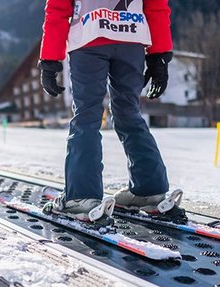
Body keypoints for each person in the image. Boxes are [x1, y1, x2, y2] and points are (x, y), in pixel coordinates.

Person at [38, 0, 186, 229]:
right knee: (129, 113)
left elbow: (58, 8)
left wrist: (49, 58)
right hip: (131, 38)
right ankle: (149, 191)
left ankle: (81, 198)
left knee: (86, 116)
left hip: (88, 37)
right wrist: (159, 55)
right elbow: (156, 6)